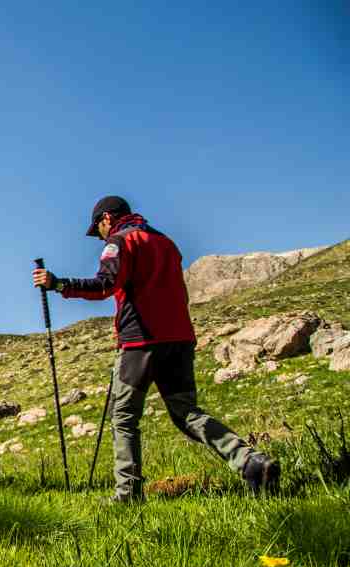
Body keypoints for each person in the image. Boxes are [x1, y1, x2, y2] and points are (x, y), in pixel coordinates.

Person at [33, 195, 280, 502]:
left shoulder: (120, 243)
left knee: (124, 417)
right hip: (179, 338)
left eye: (98, 229)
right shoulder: (166, 242)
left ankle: (127, 495)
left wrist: (58, 284)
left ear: (107, 218)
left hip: (141, 342)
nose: (100, 237)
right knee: (186, 412)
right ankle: (250, 462)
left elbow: (104, 285)